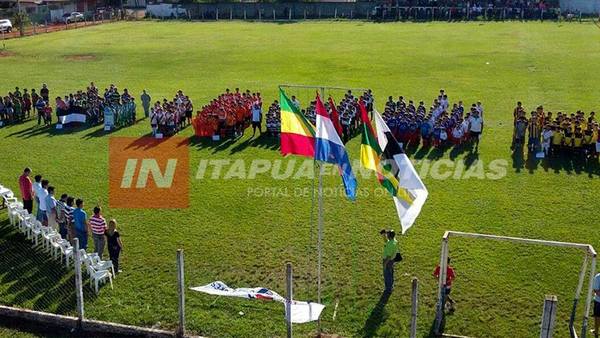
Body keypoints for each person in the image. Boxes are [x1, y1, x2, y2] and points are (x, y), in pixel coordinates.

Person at [381, 229, 399, 294]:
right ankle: (391, 286)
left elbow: (388, 256)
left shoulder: (390, 245)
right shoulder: (394, 241)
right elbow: (387, 241)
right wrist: (383, 235)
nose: (386, 235)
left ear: (390, 236)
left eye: (387, 234)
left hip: (388, 261)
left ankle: (388, 289)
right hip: (392, 261)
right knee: (391, 274)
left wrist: (385, 264)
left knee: (387, 275)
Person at [593, 272, 600, 338]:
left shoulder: (598, 277)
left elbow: (596, 290)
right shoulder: (598, 277)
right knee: (597, 317)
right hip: (598, 301)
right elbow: (596, 290)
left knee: (597, 317)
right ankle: (596, 331)